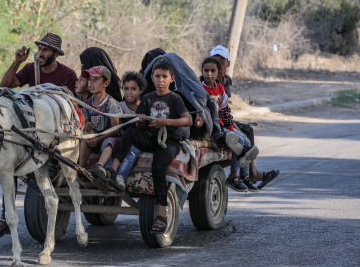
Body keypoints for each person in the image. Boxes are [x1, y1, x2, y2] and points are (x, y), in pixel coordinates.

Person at [0, 32, 77, 238]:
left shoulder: (68, 75)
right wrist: (17, 62)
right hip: (30, 128)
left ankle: (47, 206)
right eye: (39, 49)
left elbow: (72, 106)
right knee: (7, 167)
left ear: (56, 53)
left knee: (50, 166)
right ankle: (5, 217)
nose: (40, 53)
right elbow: (5, 86)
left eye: (45, 50)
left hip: (55, 130)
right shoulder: (31, 69)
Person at [109, 56, 192, 233]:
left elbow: (187, 120)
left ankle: (162, 211)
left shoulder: (175, 99)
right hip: (149, 137)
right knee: (131, 132)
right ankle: (111, 171)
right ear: (152, 78)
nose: (160, 80)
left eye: (164, 76)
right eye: (157, 76)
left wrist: (165, 122)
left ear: (172, 78)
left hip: (168, 141)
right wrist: (140, 121)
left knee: (158, 167)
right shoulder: (147, 99)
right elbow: (139, 124)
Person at [210, 45, 279, 190]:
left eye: (222, 60)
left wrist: (231, 124)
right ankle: (244, 174)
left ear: (228, 63)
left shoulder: (226, 81)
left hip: (224, 118)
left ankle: (246, 175)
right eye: (215, 60)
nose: (219, 63)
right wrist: (232, 126)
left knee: (246, 131)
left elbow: (224, 109)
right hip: (216, 120)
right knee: (242, 134)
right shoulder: (211, 80)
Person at [200, 56, 259, 192]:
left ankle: (243, 176)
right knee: (236, 143)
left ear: (218, 72)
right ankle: (234, 175)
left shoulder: (220, 89)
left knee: (246, 141)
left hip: (224, 125)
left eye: (212, 71)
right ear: (202, 71)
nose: (209, 74)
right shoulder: (200, 89)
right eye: (206, 70)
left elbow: (226, 112)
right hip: (213, 127)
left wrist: (233, 128)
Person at [80, 65, 123, 175]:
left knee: (108, 143)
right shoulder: (87, 104)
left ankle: (99, 166)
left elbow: (115, 129)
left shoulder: (111, 103)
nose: (91, 83)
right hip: (94, 139)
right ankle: (81, 169)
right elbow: (85, 126)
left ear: (106, 83)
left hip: (107, 139)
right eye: (90, 79)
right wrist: (88, 129)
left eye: (96, 79)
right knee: (85, 140)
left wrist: (98, 139)